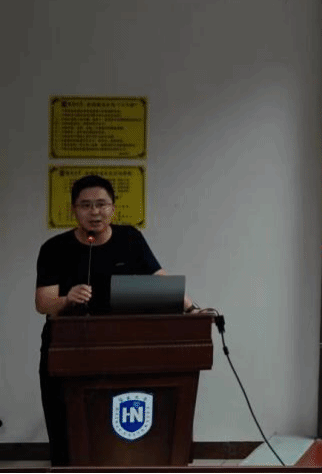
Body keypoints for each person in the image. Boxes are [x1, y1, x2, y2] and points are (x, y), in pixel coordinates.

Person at [33, 175, 196, 466]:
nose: (94, 212)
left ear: (113, 208)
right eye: (85, 205)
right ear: (73, 210)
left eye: (101, 204)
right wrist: (67, 299)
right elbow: (43, 302)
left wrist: (193, 309)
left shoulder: (130, 238)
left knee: (117, 431)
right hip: (68, 349)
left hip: (121, 348)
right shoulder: (54, 248)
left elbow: (160, 281)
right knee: (66, 432)